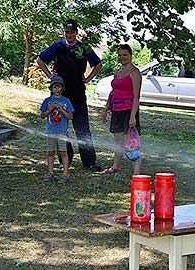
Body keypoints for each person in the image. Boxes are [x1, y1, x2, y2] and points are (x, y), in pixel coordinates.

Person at [36, 19, 103, 171]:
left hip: (78, 93)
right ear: (64, 32)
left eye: (72, 32)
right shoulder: (57, 46)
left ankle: (89, 162)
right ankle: (65, 160)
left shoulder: (84, 47)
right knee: (60, 127)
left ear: (76, 32)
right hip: (60, 95)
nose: (69, 34)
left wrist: (88, 79)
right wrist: (50, 77)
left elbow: (98, 64)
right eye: (67, 32)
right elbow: (40, 61)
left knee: (82, 128)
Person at [101, 44, 142, 175]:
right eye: (120, 55)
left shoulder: (134, 73)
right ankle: (115, 166)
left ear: (130, 56)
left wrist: (132, 116)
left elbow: (136, 97)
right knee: (118, 140)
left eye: (125, 55)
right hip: (116, 110)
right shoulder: (117, 72)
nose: (122, 57)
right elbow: (113, 92)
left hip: (128, 110)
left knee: (132, 142)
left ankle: (136, 173)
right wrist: (106, 108)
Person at [40, 76, 74, 183]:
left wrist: (62, 110)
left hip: (62, 132)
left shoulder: (66, 101)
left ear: (62, 88)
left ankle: (65, 174)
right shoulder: (47, 101)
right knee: (50, 152)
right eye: (55, 87)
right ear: (51, 88)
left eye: (59, 87)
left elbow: (70, 117)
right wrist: (49, 110)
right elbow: (42, 115)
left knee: (63, 152)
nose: (57, 89)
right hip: (50, 132)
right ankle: (50, 173)